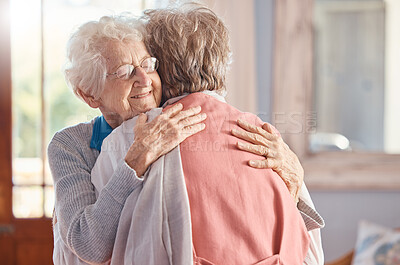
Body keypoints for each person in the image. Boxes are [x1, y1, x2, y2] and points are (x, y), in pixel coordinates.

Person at [48, 6, 323, 265]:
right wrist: (135, 161)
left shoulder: (191, 123)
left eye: (149, 64)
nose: (144, 79)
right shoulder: (73, 144)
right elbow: (87, 244)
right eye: (124, 72)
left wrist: (295, 179)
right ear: (89, 94)